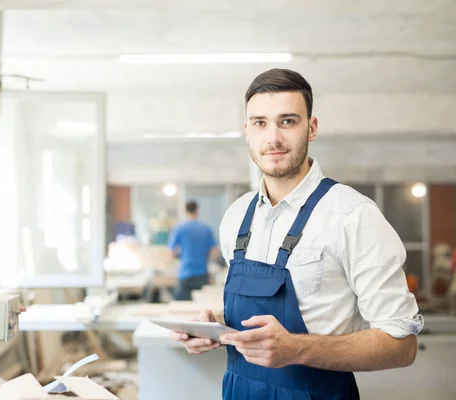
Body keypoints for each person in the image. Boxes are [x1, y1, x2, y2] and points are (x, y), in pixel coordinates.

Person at [172, 68, 423, 399]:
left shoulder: (352, 215)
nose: (273, 137)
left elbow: (401, 345)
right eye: (260, 123)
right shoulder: (235, 217)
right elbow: (256, 318)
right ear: (247, 131)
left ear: (312, 127)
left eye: (287, 121)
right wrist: (215, 327)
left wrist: (297, 349)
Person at [168, 201, 218, 301]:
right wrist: (204, 258)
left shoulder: (179, 228)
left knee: (182, 307)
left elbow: (171, 252)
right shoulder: (206, 229)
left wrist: (181, 256)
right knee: (201, 308)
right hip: (202, 272)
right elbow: (214, 250)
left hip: (185, 272)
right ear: (197, 210)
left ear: (185, 211)